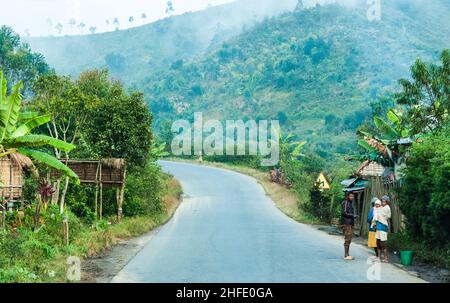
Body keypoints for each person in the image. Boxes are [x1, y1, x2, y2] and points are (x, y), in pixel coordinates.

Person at [372, 195, 392, 262]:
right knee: (378, 242)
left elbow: (387, 216)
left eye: (384, 201)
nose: (383, 202)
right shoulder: (380, 207)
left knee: (383, 243)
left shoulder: (387, 208)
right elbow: (376, 213)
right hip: (378, 226)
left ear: (387, 202)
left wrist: (379, 216)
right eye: (382, 201)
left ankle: (386, 258)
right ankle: (379, 257)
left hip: (383, 226)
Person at [341, 192, 358, 260]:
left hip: (350, 223)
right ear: (347, 196)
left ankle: (347, 254)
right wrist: (353, 215)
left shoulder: (350, 203)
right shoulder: (345, 203)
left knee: (349, 238)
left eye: (353, 196)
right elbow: (344, 212)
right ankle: (346, 254)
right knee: (347, 238)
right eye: (351, 196)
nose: (352, 198)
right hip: (347, 223)